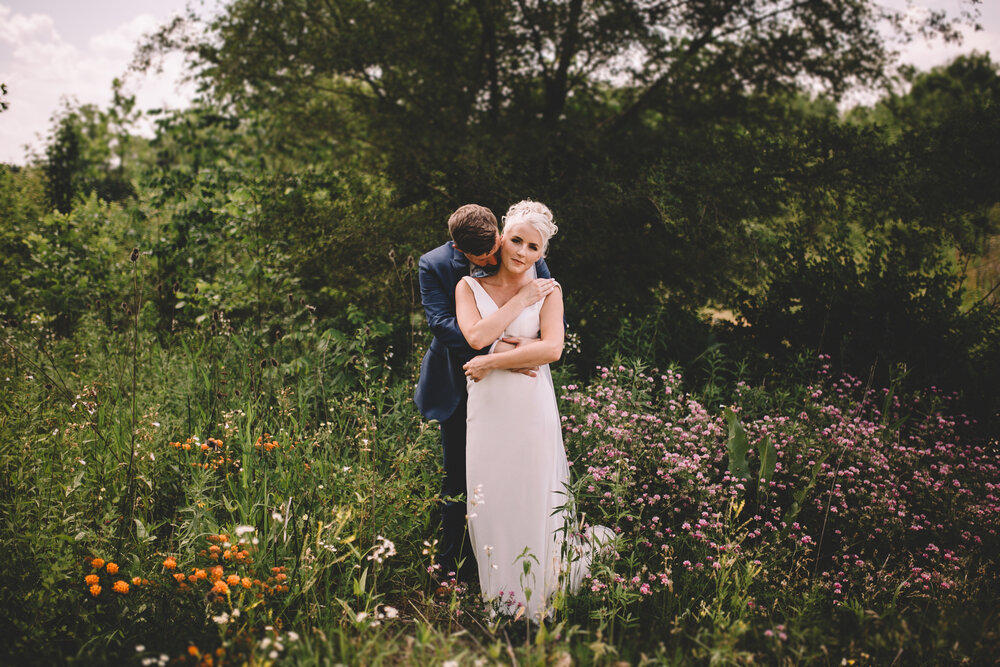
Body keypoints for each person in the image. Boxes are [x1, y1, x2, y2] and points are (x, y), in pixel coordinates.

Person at [456, 200, 611, 620]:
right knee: (491, 494)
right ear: (502, 236)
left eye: (534, 248)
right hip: (488, 408)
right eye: (518, 240)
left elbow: (552, 348)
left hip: (530, 405)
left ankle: (536, 594)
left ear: (543, 253)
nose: (523, 252)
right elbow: (475, 336)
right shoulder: (469, 287)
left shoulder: (551, 290)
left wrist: (492, 361)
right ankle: (501, 597)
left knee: (530, 492)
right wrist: (520, 300)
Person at [415, 204, 557, 583]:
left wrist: (521, 352)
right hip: (458, 380)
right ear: (461, 252)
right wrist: (498, 355)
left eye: (498, 244)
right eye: (485, 256)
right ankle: (451, 566)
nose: (500, 257)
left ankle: (510, 560)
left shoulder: (521, 244)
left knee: (515, 473)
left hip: (520, 389)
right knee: (459, 478)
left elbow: (547, 315)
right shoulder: (435, 265)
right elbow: (444, 326)